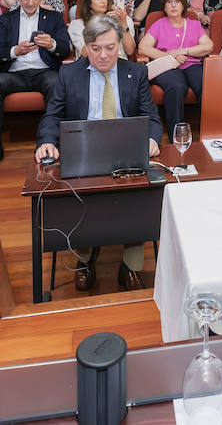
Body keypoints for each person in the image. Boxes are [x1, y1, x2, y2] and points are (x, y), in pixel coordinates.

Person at [35, 16, 162, 291]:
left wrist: (151, 139)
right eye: (95, 48)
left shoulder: (135, 73)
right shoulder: (70, 74)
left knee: (140, 193)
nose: (103, 55)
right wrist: (46, 141)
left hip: (127, 150)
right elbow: (51, 116)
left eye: (109, 47)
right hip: (84, 151)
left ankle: (131, 265)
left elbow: (151, 117)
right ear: (86, 47)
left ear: (120, 45)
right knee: (80, 195)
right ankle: (84, 258)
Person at [0, 0, 72, 169]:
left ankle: (48, 142)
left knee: (56, 82)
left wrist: (52, 44)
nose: (31, 2)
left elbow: (66, 49)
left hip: (44, 71)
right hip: (14, 73)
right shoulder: (6, 19)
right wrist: (16, 50)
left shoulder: (54, 18)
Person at [138, 0, 212, 134]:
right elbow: (143, 47)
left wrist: (184, 51)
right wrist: (169, 56)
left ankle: (210, 132)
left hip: (191, 63)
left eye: (177, 1)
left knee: (203, 84)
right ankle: (177, 135)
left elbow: (209, 46)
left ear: (183, 5)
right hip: (167, 66)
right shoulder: (159, 24)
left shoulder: (194, 24)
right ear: (164, 7)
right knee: (177, 86)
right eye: (169, 2)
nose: (173, 5)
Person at [70, 0, 136, 56]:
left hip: (118, 62)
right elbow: (85, 53)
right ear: (89, 3)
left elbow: (130, 51)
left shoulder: (123, 19)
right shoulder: (77, 25)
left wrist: (123, 23)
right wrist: (103, 24)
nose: (103, 1)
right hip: (91, 65)